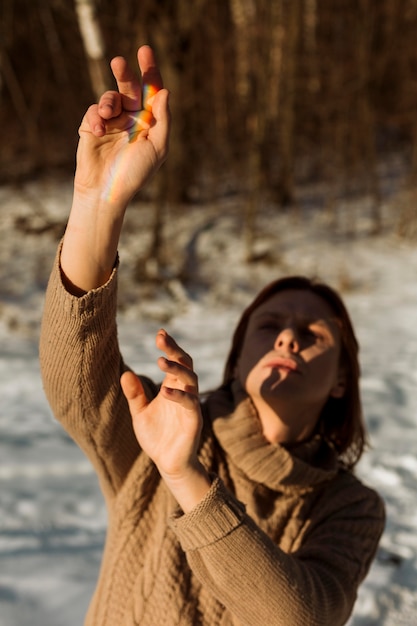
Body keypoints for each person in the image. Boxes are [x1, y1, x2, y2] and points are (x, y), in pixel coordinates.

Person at [39, 45, 385, 626]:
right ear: (238, 353)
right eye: (270, 326)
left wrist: (186, 476)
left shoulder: (347, 507)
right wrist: (98, 204)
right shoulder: (159, 424)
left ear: (342, 378)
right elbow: (71, 380)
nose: (287, 340)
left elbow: (300, 617)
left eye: (312, 333)